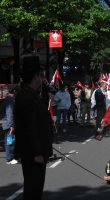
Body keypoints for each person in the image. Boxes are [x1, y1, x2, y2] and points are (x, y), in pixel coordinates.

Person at [14, 56, 53, 200]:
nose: (42, 79)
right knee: (33, 190)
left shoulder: (32, 95)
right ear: (36, 76)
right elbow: (30, 128)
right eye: (41, 75)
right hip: (33, 154)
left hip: (37, 152)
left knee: (35, 189)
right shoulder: (26, 97)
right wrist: (37, 152)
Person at [1, 87, 18, 164]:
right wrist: (11, 125)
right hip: (9, 123)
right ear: (14, 91)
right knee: (10, 141)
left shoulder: (8, 99)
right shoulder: (10, 99)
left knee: (9, 140)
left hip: (6, 122)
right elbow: (9, 112)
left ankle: (10, 157)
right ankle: (9, 159)